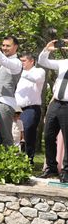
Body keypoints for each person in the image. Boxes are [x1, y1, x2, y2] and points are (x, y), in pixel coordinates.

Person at [38, 40, 68, 182]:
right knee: (48, 136)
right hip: (55, 104)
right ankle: (51, 168)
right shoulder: (63, 63)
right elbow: (43, 61)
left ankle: (66, 171)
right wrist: (47, 49)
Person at [15, 52, 45, 165]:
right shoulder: (20, 74)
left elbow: (36, 79)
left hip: (31, 108)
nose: (21, 63)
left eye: (23, 61)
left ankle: (29, 159)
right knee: (16, 133)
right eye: (20, 61)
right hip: (17, 108)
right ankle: (16, 158)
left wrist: (21, 72)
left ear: (32, 61)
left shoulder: (39, 71)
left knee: (27, 133)